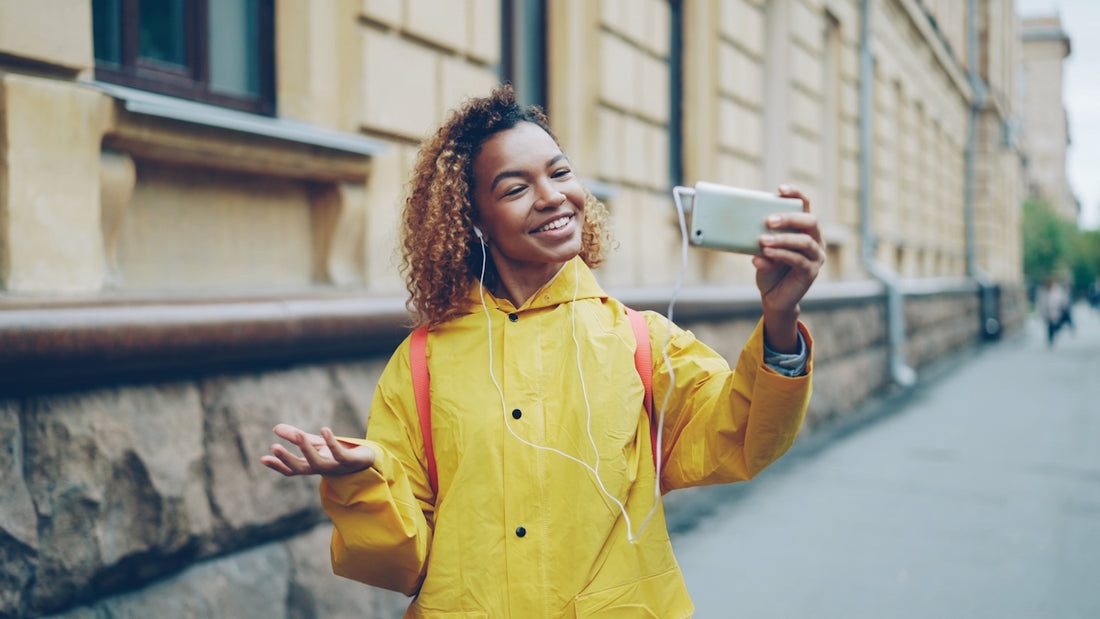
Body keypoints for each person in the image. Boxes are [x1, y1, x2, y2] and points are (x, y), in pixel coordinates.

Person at [261, 85, 825, 617]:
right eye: (516, 187)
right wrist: (365, 480)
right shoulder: (422, 362)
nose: (553, 196)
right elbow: (399, 560)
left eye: (559, 172)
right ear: (475, 220)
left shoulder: (642, 341)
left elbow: (741, 437)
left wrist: (780, 319)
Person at [1036, 277, 1070, 346]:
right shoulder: (1042, 292)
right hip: (1047, 313)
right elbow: (1040, 302)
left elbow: (1063, 299)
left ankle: (1054, 334)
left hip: (1056, 311)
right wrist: (1040, 311)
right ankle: (1050, 339)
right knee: (1049, 326)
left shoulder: (1057, 290)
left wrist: (1063, 307)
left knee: (1056, 325)